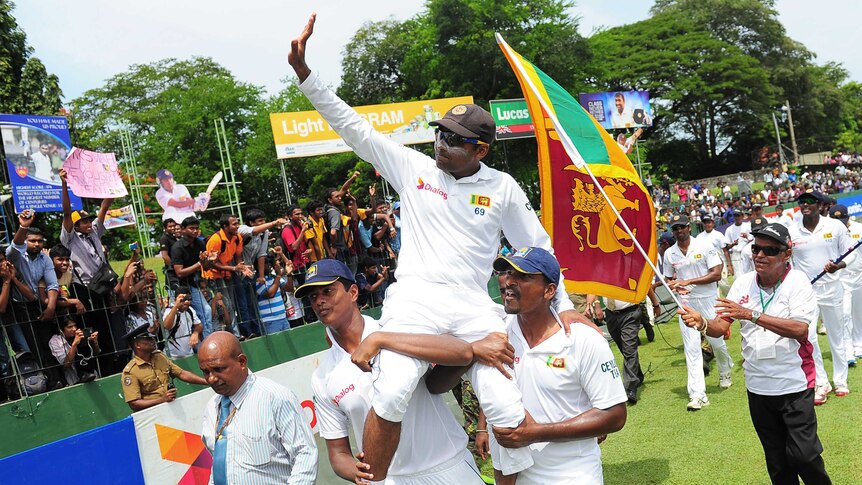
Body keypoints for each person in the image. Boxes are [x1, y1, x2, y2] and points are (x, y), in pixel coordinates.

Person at [289, 14, 586, 479]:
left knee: (505, 400)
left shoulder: (503, 188)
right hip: (416, 299)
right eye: (439, 133)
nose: (440, 144)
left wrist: (563, 307)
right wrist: (307, 76)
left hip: (473, 303)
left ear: (481, 151)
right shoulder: (415, 169)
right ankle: (378, 479)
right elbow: (355, 130)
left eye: (453, 140)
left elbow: (538, 247)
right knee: (391, 392)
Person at [428, 248, 627, 484]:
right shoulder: (495, 333)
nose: (507, 282)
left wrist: (534, 433)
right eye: (505, 272)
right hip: (516, 476)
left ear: (550, 290)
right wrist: (472, 352)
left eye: (523, 276)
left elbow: (614, 415)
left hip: (573, 474)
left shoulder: (582, 340)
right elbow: (436, 386)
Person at [302, 260, 484, 484]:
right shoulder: (323, 377)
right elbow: (338, 453)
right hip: (389, 480)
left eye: (327, 291)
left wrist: (382, 340)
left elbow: (462, 352)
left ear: (353, 292)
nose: (319, 301)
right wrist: (358, 472)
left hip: (448, 468)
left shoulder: (396, 329)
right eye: (312, 297)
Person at [679, 223, 832, 485]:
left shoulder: (798, 282)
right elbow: (720, 327)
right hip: (759, 388)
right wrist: (702, 322)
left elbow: (799, 329)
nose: (760, 255)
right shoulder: (742, 283)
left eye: (769, 250)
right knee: (777, 463)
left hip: (794, 384)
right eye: (756, 248)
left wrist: (750, 314)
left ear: (786, 254)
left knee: (805, 456)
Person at [198, 331, 317, 484]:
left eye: (219, 369)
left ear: (241, 362)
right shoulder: (212, 407)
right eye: (205, 372)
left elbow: (305, 454)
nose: (212, 378)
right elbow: (219, 463)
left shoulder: (275, 398)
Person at [663, 214, 734, 410]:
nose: (679, 231)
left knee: (717, 343)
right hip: (687, 303)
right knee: (692, 349)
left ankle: (725, 369)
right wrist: (675, 286)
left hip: (709, 300)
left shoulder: (704, 246)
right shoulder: (670, 253)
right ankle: (697, 394)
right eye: (675, 228)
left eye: (682, 227)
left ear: (689, 227)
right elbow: (669, 279)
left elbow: (716, 274)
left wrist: (688, 281)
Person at [790, 190, 854, 404]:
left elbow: (850, 253)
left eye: (810, 201)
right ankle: (821, 382)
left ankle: (841, 380)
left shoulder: (835, 226)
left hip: (833, 288)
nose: (805, 204)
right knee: (810, 338)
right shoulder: (793, 230)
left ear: (820, 205)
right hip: (806, 292)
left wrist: (838, 266)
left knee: (837, 337)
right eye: (802, 201)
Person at [121, 323, 208, 411]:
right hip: (152, 415)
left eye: (152, 337)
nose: (153, 340)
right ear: (137, 345)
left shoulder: (159, 357)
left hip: (170, 408)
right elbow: (134, 403)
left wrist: (207, 382)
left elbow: (181, 374)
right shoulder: (131, 371)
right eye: (148, 339)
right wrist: (161, 400)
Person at [206, 214, 254, 338]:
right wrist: (234, 268)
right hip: (214, 276)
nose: (237, 226)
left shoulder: (237, 237)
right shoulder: (215, 240)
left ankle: (235, 333)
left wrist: (241, 267)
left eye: (237, 223)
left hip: (228, 273)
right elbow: (213, 264)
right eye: (234, 224)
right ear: (225, 226)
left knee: (231, 303)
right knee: (225, 304)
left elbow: (237, 256)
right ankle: (234, 335)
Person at [171, 216, 214, 337]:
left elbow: (205, 268)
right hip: (177, 286)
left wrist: (208, 260)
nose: (195, 231)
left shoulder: (200, 244)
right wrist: (199, 263)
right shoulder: (177, 248)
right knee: (182, 316)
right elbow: (179, 272)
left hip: (191, 283)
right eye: (191, 228)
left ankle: (208, 341)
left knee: (206, 311)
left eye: (196, 228)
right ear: (183, 229)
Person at [829, 204, 862, 363]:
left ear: (848, 217)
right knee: (845, 314)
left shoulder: (859, 229)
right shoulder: (829, 233)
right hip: (842, 278)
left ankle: (859, 345)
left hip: (859, 276)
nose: (839, 222)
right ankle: (848, 351)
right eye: (835, 219)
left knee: (858, 313)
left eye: (842, 219)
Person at [48, 317, 100, 385]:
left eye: (75, 325)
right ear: (61, 329)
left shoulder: (81, 334)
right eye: (70, 327)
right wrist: (74, 344)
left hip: (92, 375)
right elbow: (66, 365)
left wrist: (95, 342)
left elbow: (96, 354)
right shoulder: (55, 341)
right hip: (73, 380)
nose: (74, 329)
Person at [254, 249, 295, 334]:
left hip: (283, 318)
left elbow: (289, 288)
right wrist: (279, 275)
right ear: (259, 265)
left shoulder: (274, 277)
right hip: (270, 321)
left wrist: (289, 274)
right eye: (266, 263)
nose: (269, 265)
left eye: (270, 263)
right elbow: (270, 293)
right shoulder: (258, 280)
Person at [162, 288, 203, 358]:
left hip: (189, 353)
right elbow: (166, 326)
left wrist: (195, 333)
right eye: (182, 299)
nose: (186, 302)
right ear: (175, 300)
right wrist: (176, 306)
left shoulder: (190, 310)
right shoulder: (169, 311)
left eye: (188, 298)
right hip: (172, 356)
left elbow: (199, 325)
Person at [723, 209, 751, 277]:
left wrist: (747, 237)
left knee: (750, 273)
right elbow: (726, 247)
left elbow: (752, 240)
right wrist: (733, 244)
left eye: (738, 216)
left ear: (742, 216)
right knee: (739, 276)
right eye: (735, 216)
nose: (737, 218)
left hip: (747, 253)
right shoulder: (729, 229)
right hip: (736, 254)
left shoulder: (748, 226)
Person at [159, 218, 180, 292]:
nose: (173, 228)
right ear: (165, 228)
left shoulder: (174, 237)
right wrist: (173, 267)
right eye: (170, 226)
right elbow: (165, 256)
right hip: (172, 272)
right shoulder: (164, 239)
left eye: (174, 226)